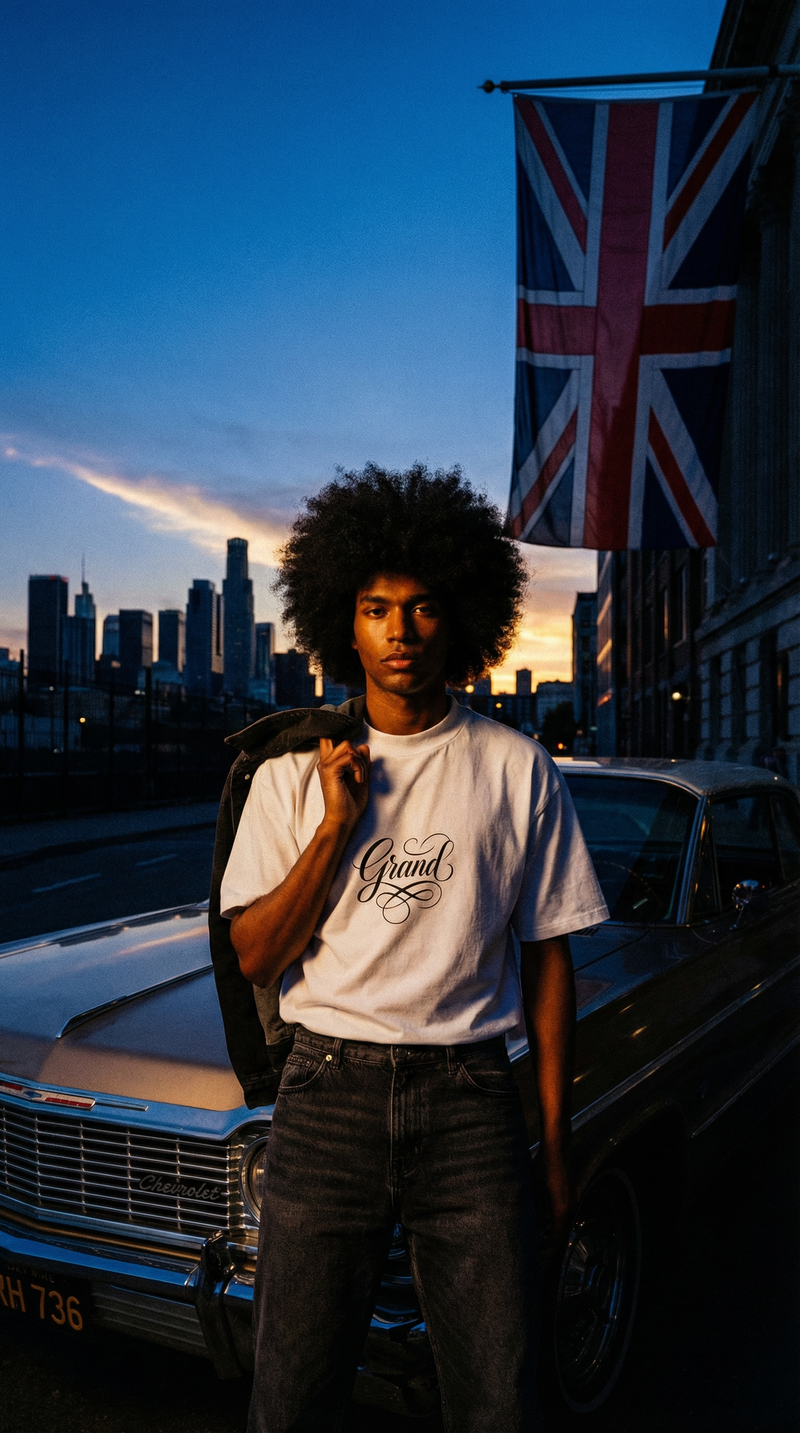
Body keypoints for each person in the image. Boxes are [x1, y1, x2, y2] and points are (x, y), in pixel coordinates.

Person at [216, 464, 608, 1433]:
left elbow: (549, 958)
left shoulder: (516, 767)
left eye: (422, 606)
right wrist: (332, 828)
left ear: (458, 617)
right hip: (326, 1097)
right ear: (341, 623)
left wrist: (553, 1145)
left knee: (494, 1395)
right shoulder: (287, 776)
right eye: (375, 606)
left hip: (471, 1103)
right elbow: (257, 955)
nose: (400, 629)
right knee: (291, 1394)